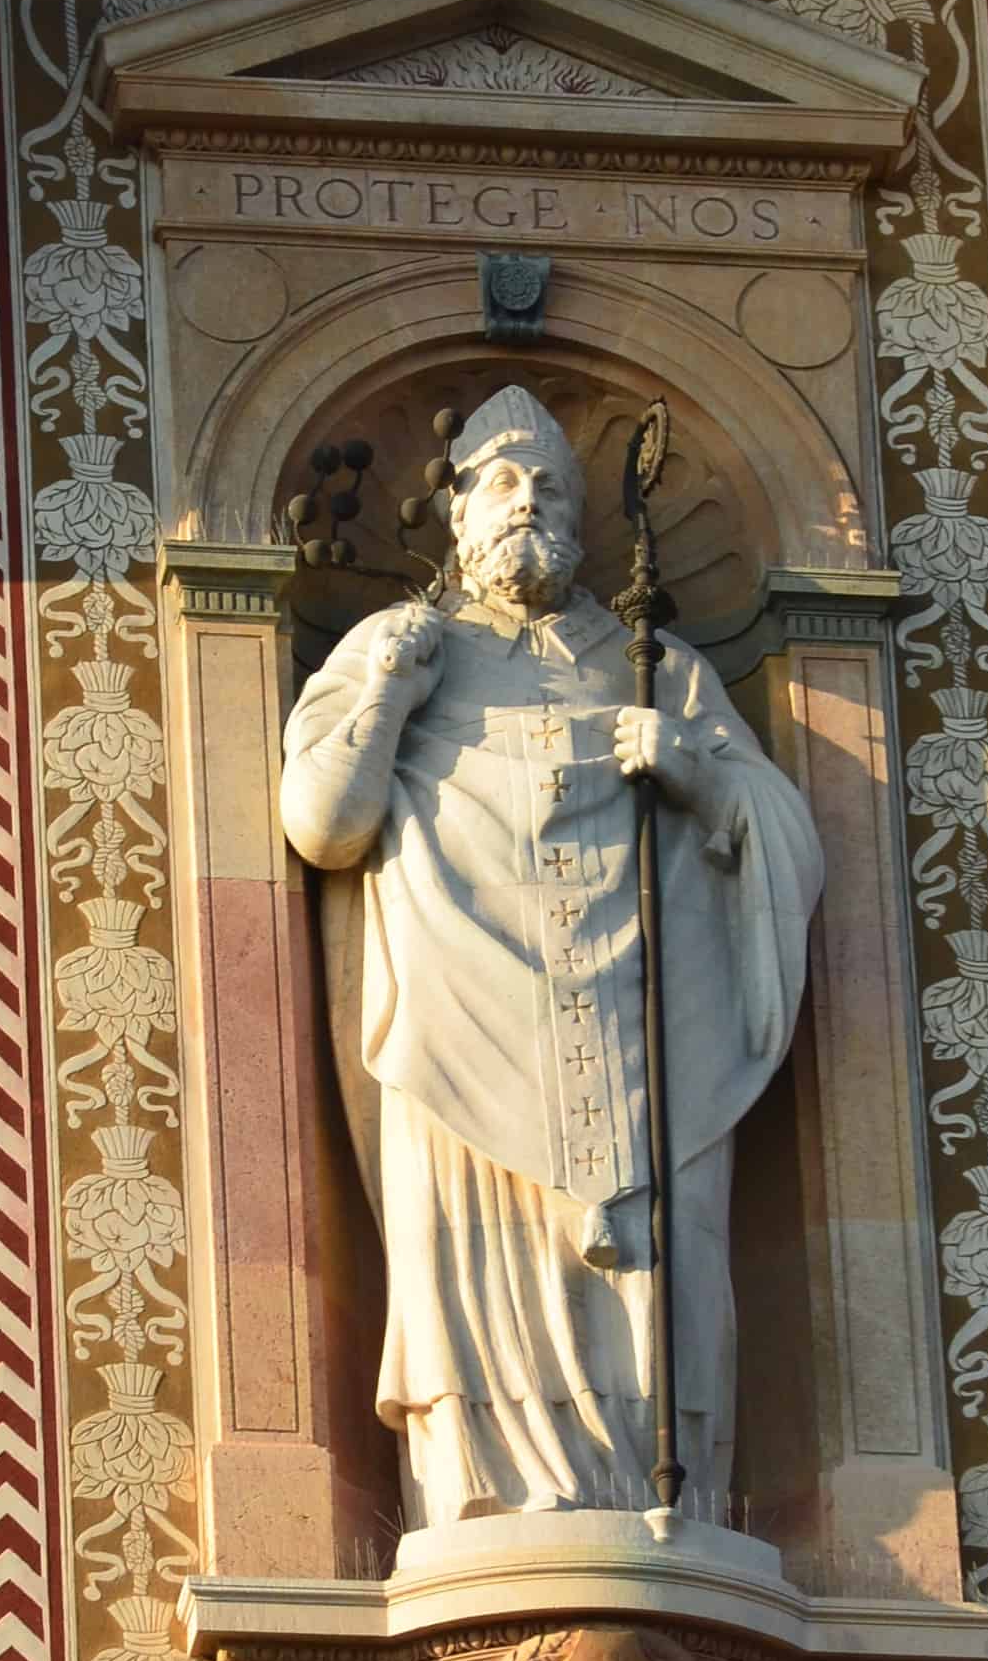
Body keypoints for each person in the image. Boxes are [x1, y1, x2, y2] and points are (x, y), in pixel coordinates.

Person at [279, 383, 823, 1532]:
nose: (531, 503)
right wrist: (387, 691)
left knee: (661, 1278)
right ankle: (477, 1494)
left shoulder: (650, 662)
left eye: (553, 486)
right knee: (472, 1279)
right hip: (458, 1031)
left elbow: (779, 838)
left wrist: (695, 768)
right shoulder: (402, 645)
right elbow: (324, 822)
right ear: (459, 510)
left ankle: (662, 1496)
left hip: (644, 1035)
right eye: (506, 482)